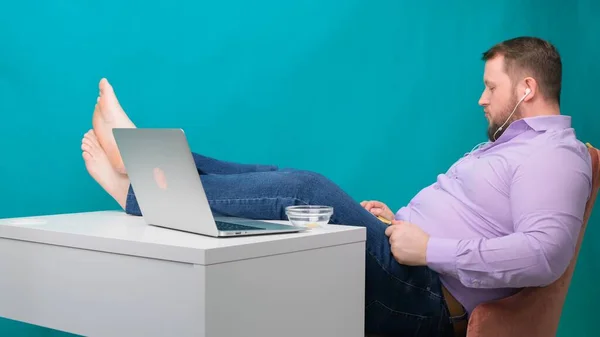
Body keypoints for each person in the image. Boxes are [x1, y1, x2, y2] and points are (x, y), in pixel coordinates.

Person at [81, 36, 592, 337]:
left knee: (306, 190)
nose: (482, 99)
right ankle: (137, 167)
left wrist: (430, 246)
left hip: (428, 299)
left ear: (527, 88)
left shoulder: (556, 156)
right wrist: (403, 223)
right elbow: (480, 216)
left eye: (491, 86)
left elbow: (545, 254)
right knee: (271, 178)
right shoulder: (509, 147)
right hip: (409, 261)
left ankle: (134, 186)